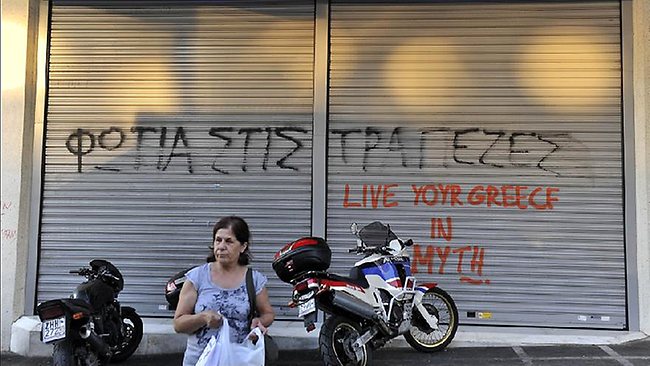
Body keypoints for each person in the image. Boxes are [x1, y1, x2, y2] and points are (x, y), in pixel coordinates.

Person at [174, 216, 275, 366]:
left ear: (243, 246)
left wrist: (258, 323)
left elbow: (268, 314)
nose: (221, 246)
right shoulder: (197, 277)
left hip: (239, 359)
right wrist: (202, 318)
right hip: (200, 359)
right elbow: (178, 324)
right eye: (217, 240)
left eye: (228, 241)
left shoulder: (254, 280)